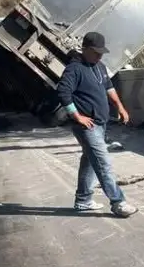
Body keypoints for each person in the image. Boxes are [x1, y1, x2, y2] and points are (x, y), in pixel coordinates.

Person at [56, 31, 138, 218]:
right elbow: (63, 92)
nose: (100, 55)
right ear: (84, 49)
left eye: (101, 52)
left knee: (90, 162)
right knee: (103, 163)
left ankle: (83, 201)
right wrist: (76, 116)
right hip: (87, 126)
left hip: (101, 124)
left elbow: (108, 87)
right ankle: (118, 202)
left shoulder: (99, 66)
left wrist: (120, 107)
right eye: (96, 52)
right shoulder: (74, 69)